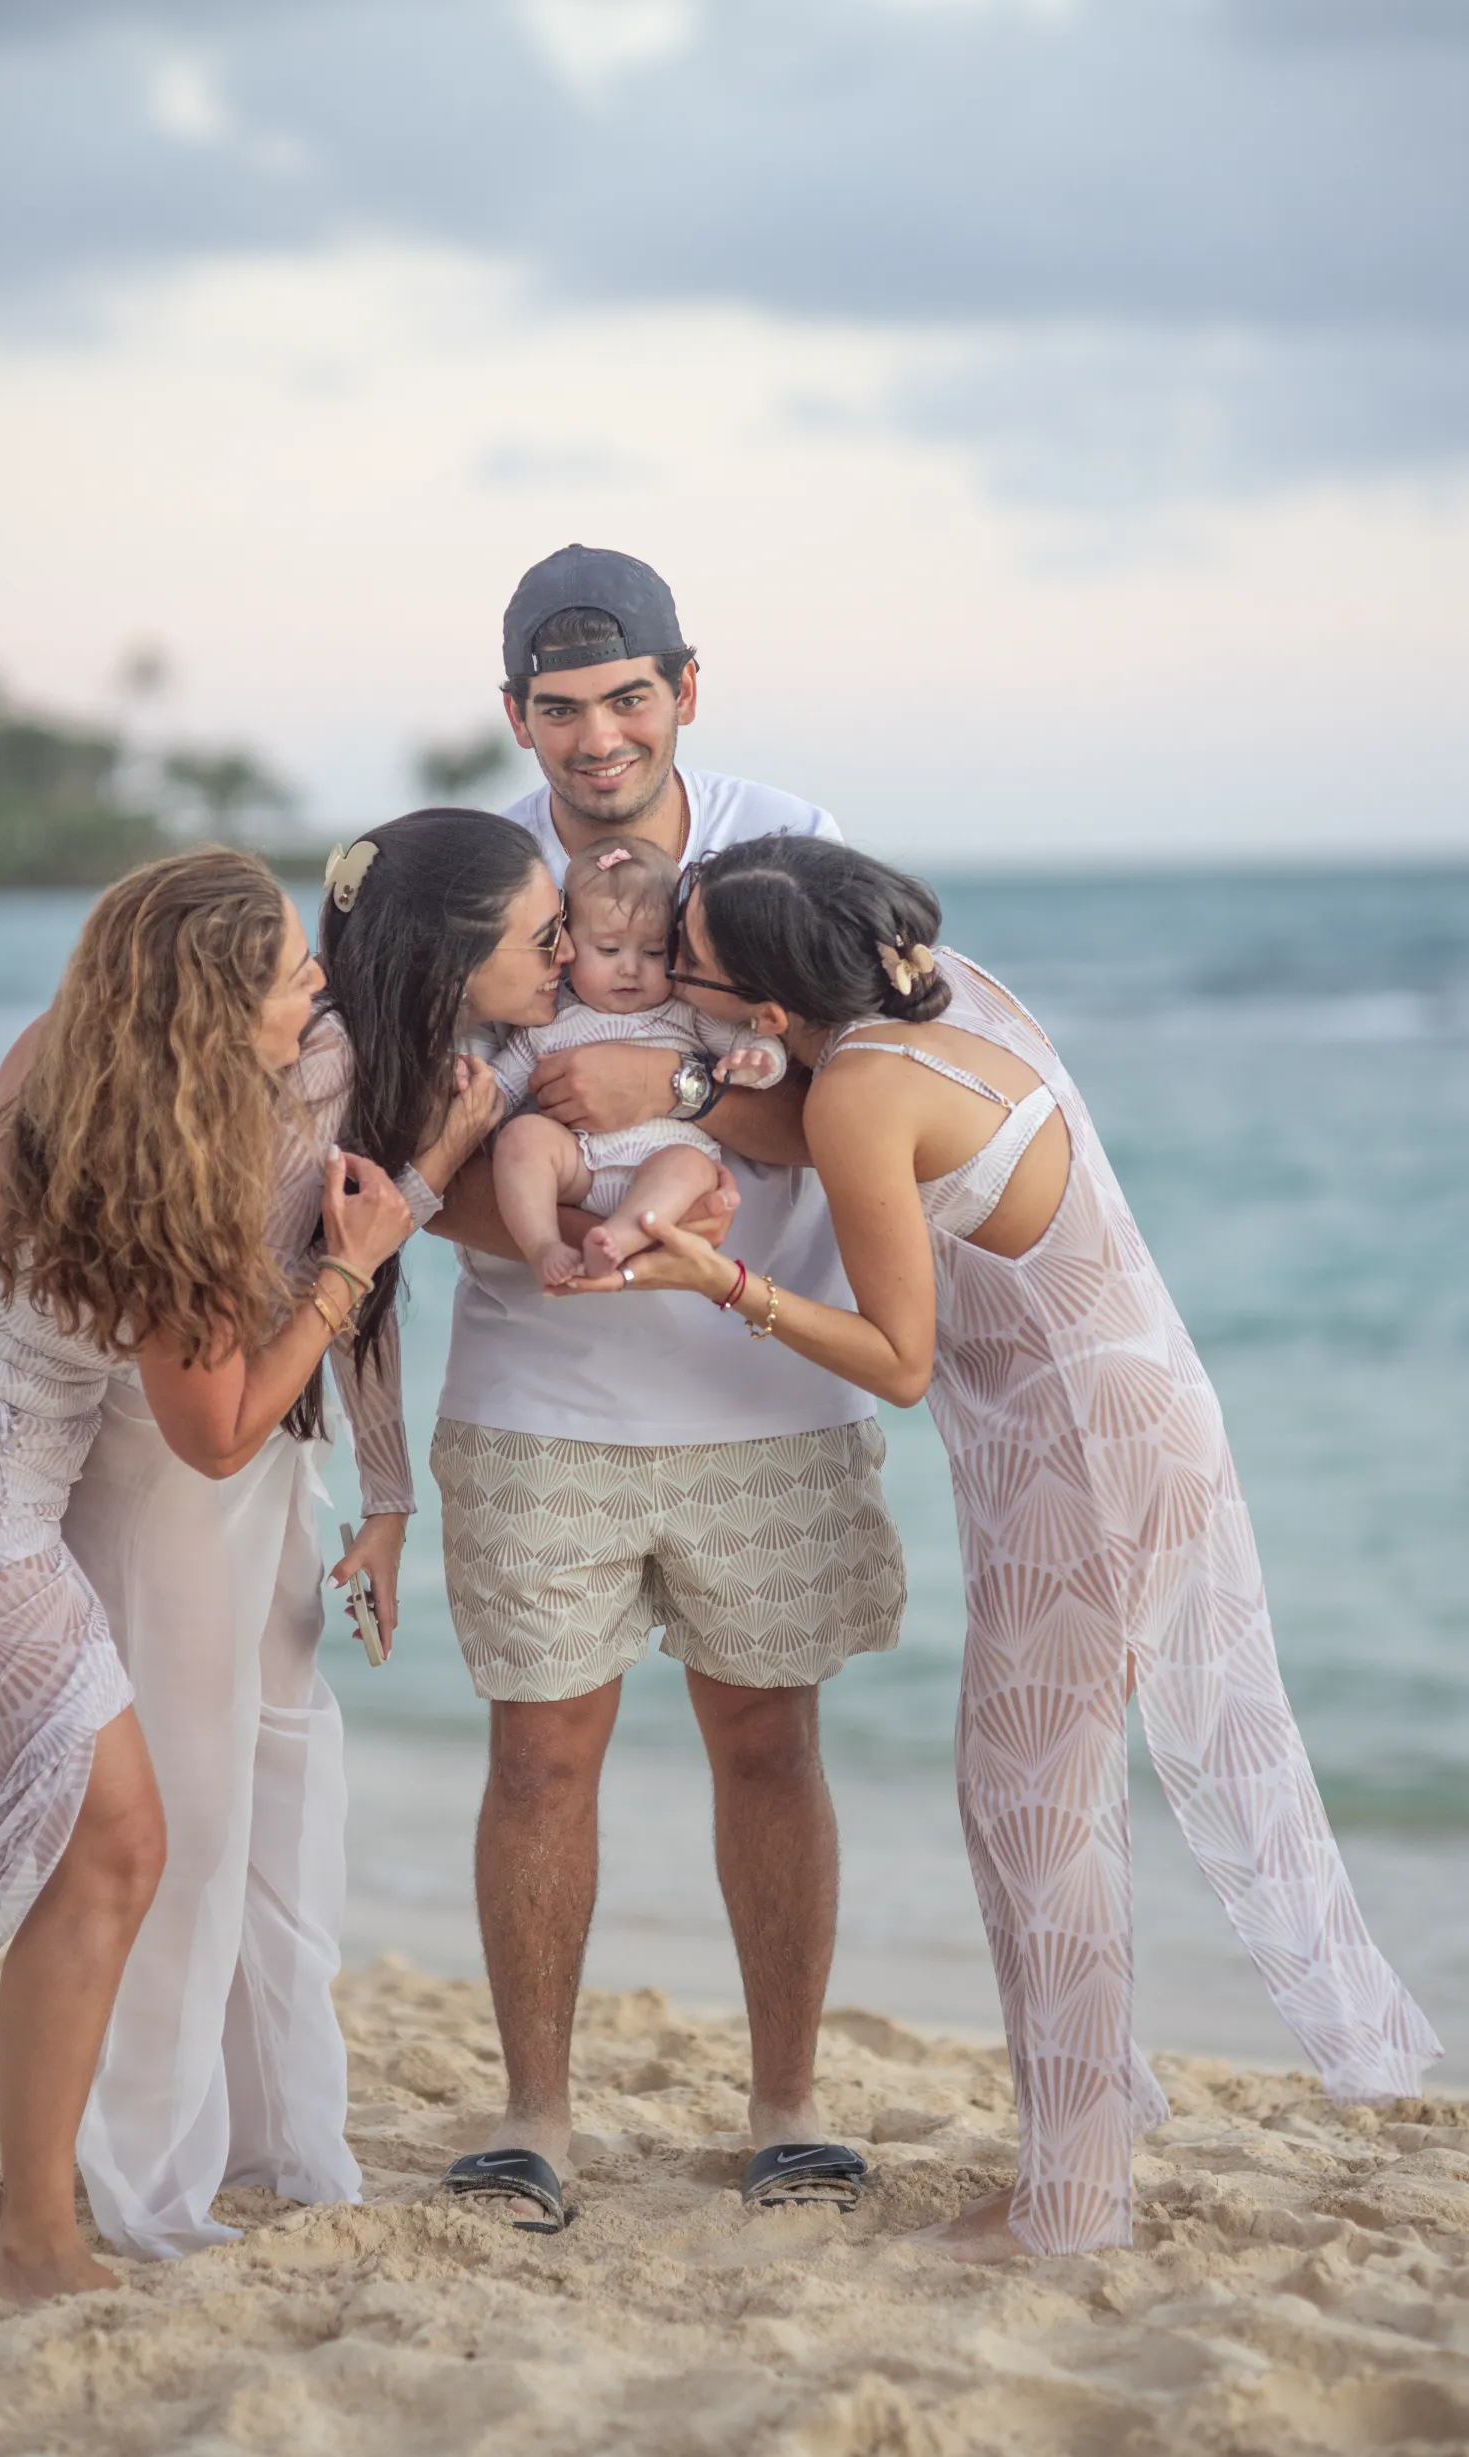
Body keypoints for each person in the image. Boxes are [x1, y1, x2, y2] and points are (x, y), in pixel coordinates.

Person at [580, 831, 1441, 2260]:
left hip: (1080, 1458)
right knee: (1030, 1799)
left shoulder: (856, 1089)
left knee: (1033, 1810)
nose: (668, 967)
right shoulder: (947, 995)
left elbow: (899, 1360)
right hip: (1136, 1408)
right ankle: (1097, 2107)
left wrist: (719, 1279)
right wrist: (687, 1086)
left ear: (774, 1015)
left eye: (690, 961)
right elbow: (823, 1126)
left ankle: (1068, 2201)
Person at [0, 849, 411, 2301]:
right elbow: (215, 1435)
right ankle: (38, 2238)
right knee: (117, 1844)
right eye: (292, 970)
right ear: (212, 1011)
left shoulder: (63, 1050)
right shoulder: (181, 1158)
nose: (319, 982)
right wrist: (352, 1264)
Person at [414, 546, 907, 2232]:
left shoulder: (784, 843)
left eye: (627, 698)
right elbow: (421, 1152)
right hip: (536, 1391)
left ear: (683, 690)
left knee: (768, 1743)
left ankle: (788, 2108)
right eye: (559, 709)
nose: (597, 736)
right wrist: (567, 1234)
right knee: (537, 1758)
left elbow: (862, 1096)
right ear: (514, 718)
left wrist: (669, 1074)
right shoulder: (480, 878)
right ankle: (530, 2119)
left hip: (762, 1388)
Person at [65, 842, 501, 2263]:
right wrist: (429, 1171)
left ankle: (278, 2137)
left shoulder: (388, 1064)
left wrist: (382, 1498)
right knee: (186, 1818)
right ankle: (145, 2176)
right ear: (452, 951)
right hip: (179, 1457)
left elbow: (356, 1282)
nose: (560, 960)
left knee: (283, 1795)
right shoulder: (294, 1076)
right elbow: (327, 1271)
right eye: (540, 934)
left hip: (270, 1457)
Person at [489, 833, 785, 1286]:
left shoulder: (688, 1013)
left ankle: (618, 1239)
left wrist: (759, 1060)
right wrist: (473, 1089)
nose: (630, 967)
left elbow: (750, 1043)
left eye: (652, 952)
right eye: (609, 950)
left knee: (693, 1166)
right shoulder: (549, 1021)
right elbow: (499, 1091)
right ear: (568, 948)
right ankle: (544, 1243)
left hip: (662, 1166)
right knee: (522, 1137)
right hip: (579, 1166)